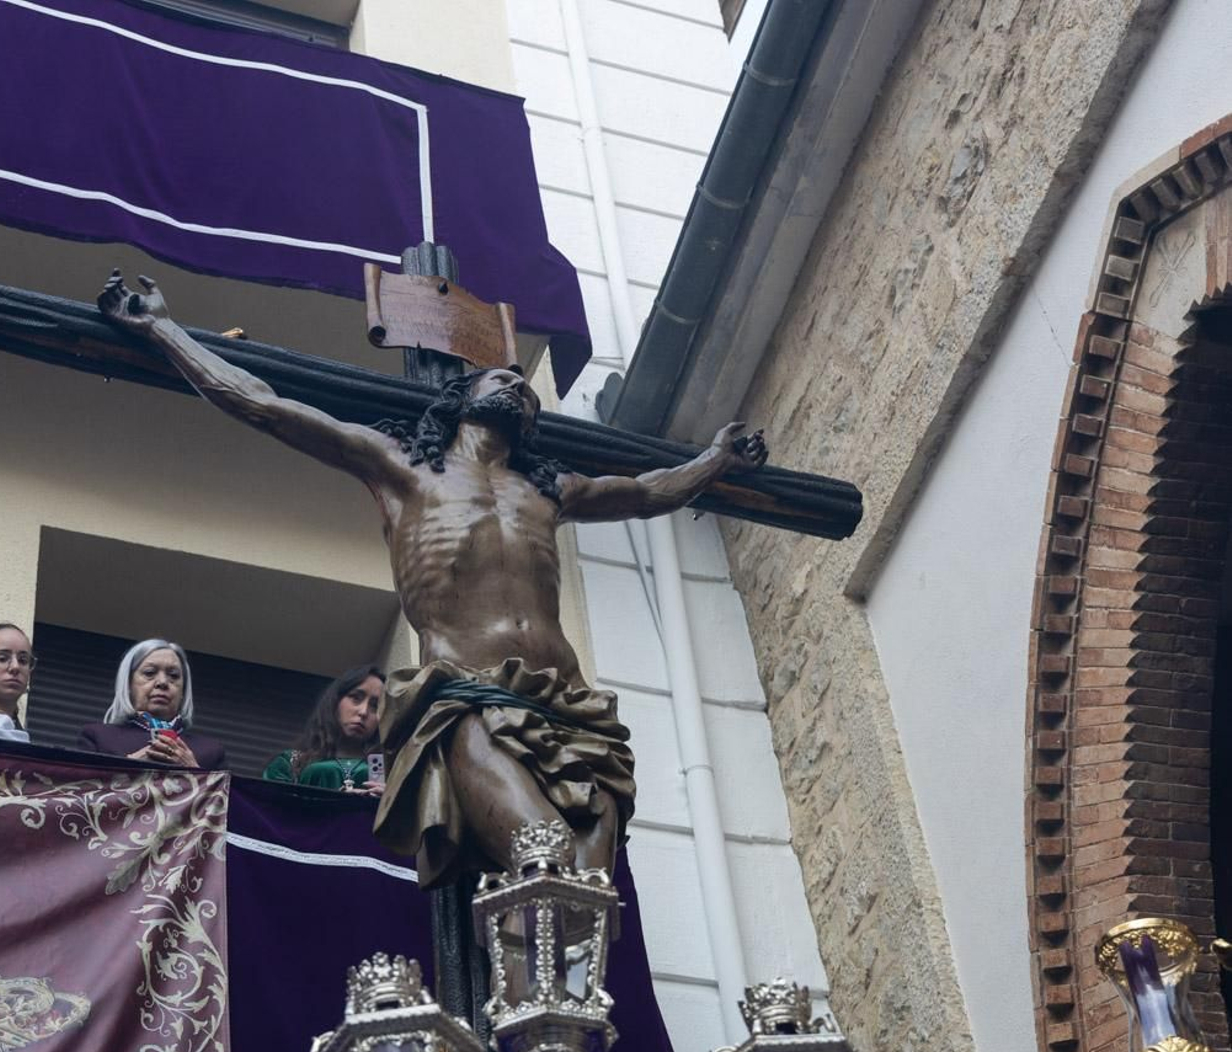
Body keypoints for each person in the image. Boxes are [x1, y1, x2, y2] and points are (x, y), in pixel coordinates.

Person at [100, 273, 767, 887]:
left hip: (571, 711)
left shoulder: (550, 490)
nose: (515, 381)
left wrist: (714, 460)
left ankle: (544, 1017)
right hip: (468, 698)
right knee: (545, 859)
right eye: (497, 376)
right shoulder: (401, 471)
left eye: (523, 384)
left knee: (588, 900)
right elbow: (266, 405)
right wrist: (164, 330)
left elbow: (648, 491)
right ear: (458, 399)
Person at [76, 639, 226, 770]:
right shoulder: (98, 737)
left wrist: (194, 772)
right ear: (128, 684)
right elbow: (82, 796)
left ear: (183, 691)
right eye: (149, 673)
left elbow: (229, 802)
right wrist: (131, 766)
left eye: (173, 676)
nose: (162, 682)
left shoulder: (211, 751)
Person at [263, 666, 386, 794]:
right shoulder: (291, 762)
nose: (363, 712)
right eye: (356, 697)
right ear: (335, 701)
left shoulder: (388, 771)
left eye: (375, 706)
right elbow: (267, 811)